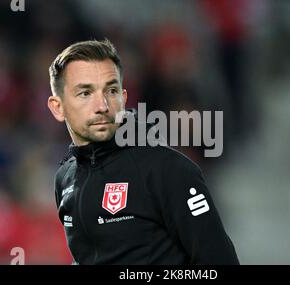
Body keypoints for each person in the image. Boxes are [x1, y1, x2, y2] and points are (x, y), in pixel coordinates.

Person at [47, 39, 239, 265]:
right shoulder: (65, 178)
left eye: (111, 90)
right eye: (85, 93)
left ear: (124, 98)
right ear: (58, 107)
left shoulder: (168, 170)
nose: (102, 105)